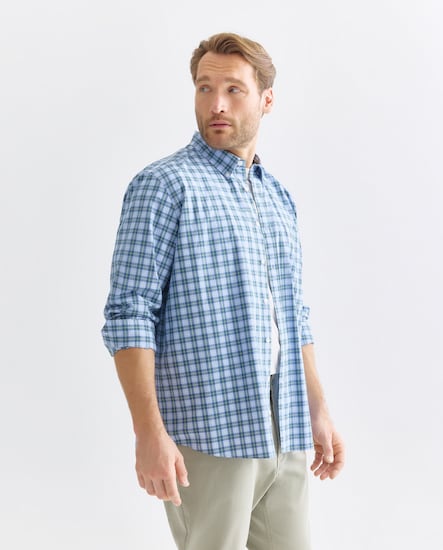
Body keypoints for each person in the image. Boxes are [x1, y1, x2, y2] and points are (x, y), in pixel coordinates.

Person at [102, 32, 345, 550]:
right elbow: (130, 314)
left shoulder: (277, 197)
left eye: (234, 89)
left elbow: (293, 314)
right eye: (204, 87)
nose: (216, 104)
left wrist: (318, 408)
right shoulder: (164, 185)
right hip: (208, 430)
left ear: (266, 100)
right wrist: (148, 432)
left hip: (284, 426)